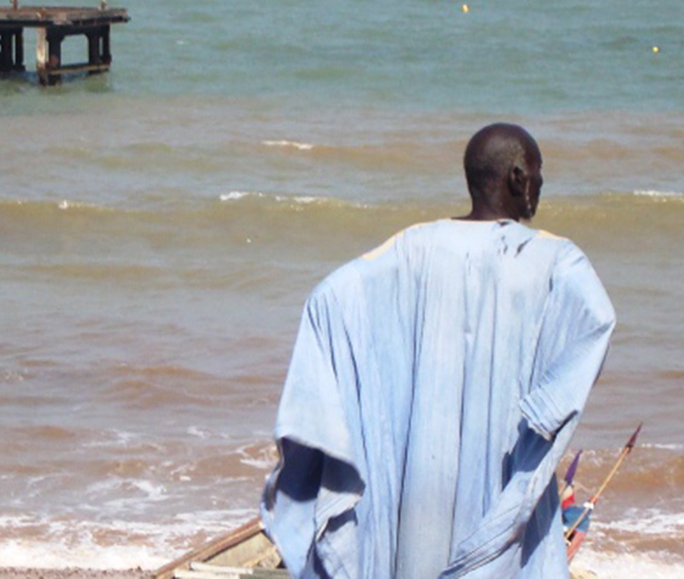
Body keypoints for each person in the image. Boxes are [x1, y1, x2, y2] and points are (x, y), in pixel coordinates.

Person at [260, 123, 616, 579]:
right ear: (516, 177)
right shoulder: (555, 261)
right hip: (502, 481)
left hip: (415, 494)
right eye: (538, 173)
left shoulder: (407, 248)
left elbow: (327, 302)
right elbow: (597, 320)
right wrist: (544, 412)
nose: (540, 186)